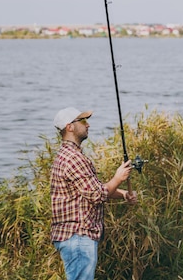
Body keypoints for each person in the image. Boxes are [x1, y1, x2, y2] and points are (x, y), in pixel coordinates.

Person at [50, 107, 138, 280]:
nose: (88, 125)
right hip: (78, 236)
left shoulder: (68, 155)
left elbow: (91, 190)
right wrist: (118, 177)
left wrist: (123, 195)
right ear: (70, 127)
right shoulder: (74, 158)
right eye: (82, 121)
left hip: (74, 237)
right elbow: (97, 195)